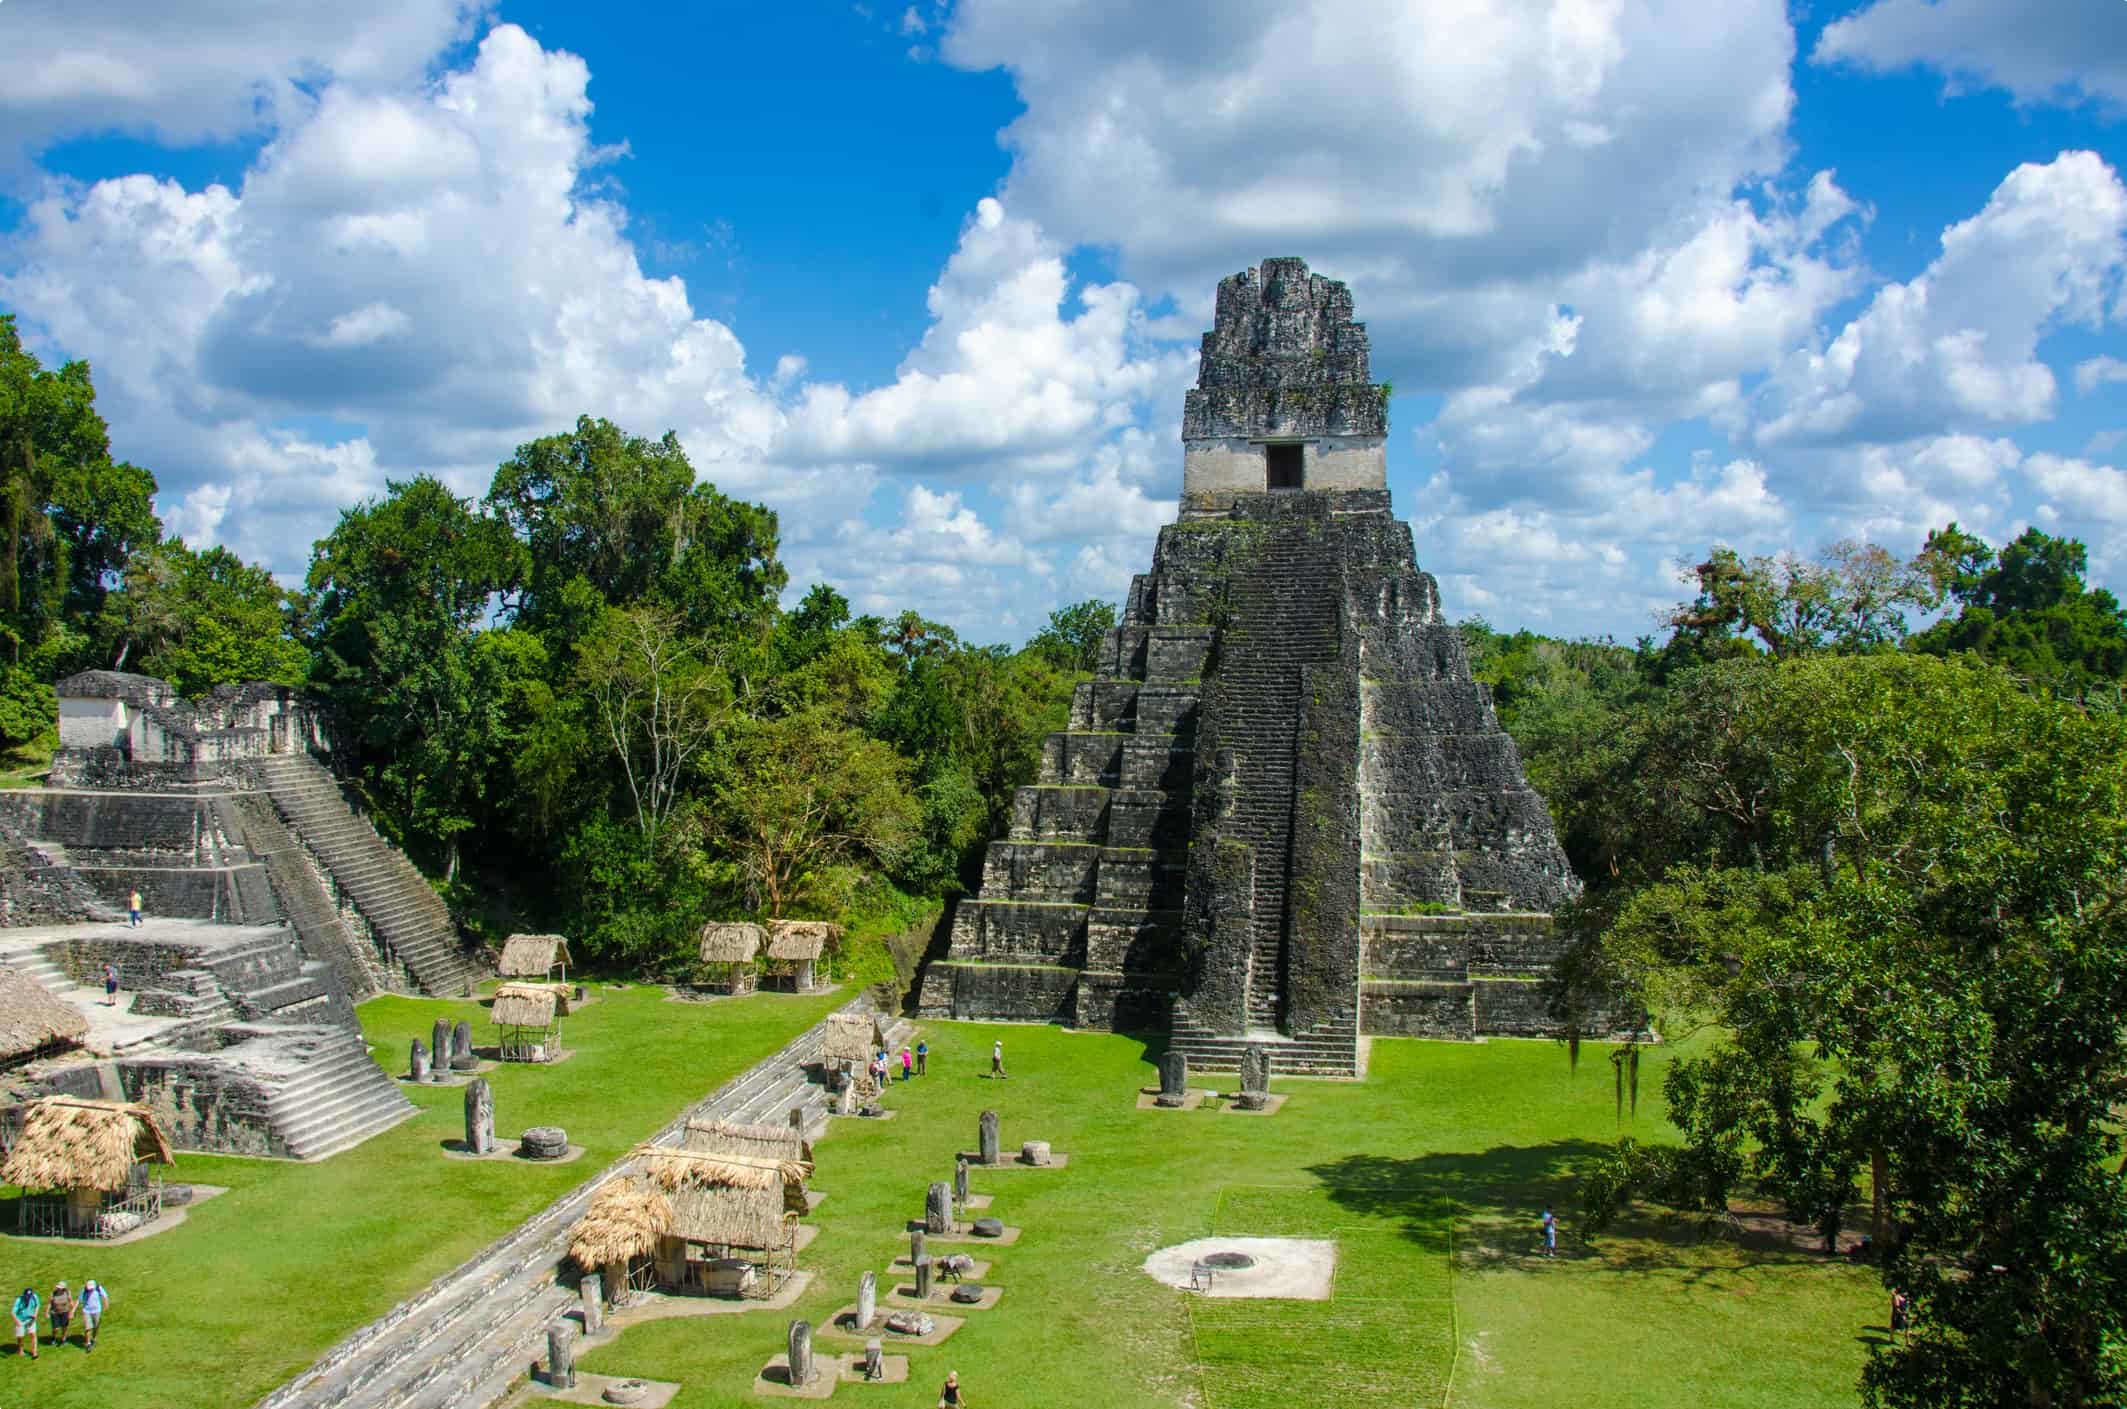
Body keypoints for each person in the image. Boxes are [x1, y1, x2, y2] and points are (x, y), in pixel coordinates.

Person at [12, 1285, 40, 1359]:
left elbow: (37, 1306)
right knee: (20, 1336)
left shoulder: (34, 1297)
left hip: (30, 1320)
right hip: (20, 1320)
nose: (28, 1298)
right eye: (27, 1296)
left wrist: (35, 1315)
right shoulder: (19, 1300)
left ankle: (34, 1352)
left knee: (33, 1334)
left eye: (29, 1296)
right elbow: (13, 1313)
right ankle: (20, 1350)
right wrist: (17, 1322)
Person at [79, 1280, 107, 1352]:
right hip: (86, 1311)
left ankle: (94, 1339)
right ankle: (88, 1344)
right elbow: (79, 1300)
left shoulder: (98, 1288)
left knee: (96, 1326)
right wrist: (72, 1311)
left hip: (96, 1310)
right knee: (88, 1328)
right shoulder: (84, 1291)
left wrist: (106, 1304)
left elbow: (104, 1296)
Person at [46, 1281, 72, 1350]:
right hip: (55, 1312)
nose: (59, 1289)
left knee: (65, 1327)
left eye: (60, 1288)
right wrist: (46, 1312)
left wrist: (72, 1311)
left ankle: (63, 1339)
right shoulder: (53, 1294)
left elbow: (70, 1301)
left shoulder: (67, 1293)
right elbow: (49, 1303)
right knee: (56, 1328)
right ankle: (53, 1337)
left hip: (65, 1312)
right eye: (58, 1287)